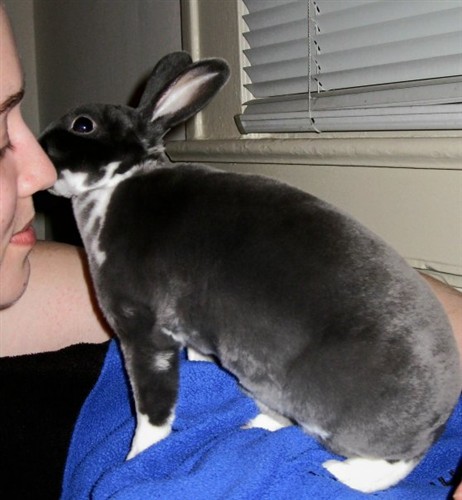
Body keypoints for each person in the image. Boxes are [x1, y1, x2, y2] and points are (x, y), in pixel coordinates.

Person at [0, 5, 460, 498]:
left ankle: (385, 449)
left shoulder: (130, 225)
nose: (40, 167)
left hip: (367, 403)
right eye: (0, 134)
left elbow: (150, 323)